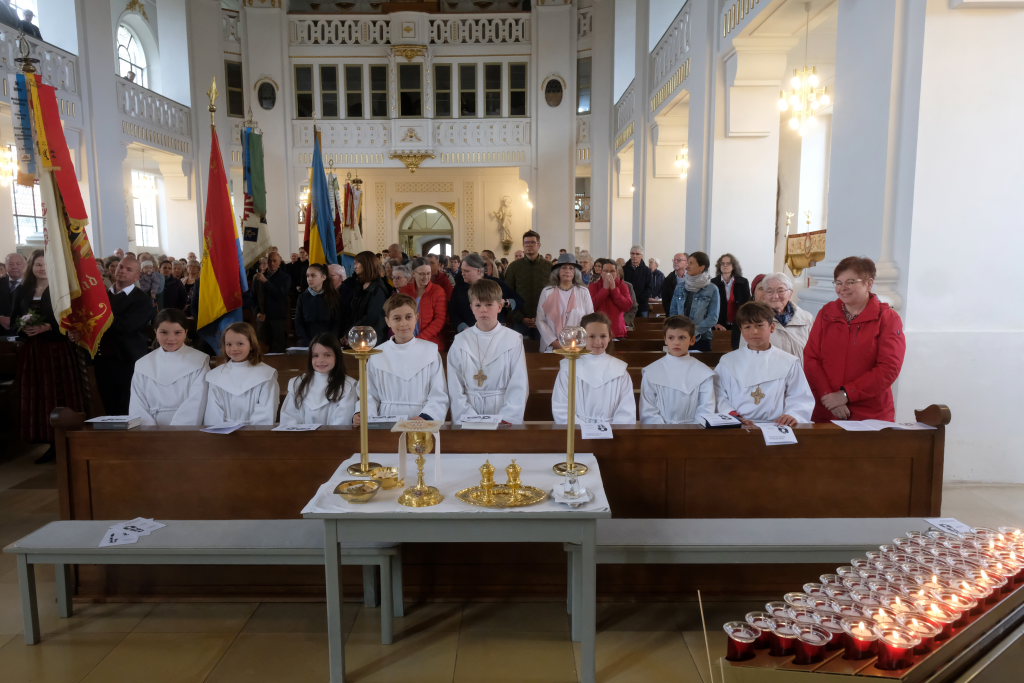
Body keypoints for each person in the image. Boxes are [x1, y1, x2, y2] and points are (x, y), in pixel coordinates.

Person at [803, 256, 906, 422]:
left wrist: (846, 394)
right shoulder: (827, 313)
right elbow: (811, 357)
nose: (843, 288)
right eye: (838, 282)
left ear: (869, 284)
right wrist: (828, 396)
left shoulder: (887, 318)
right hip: (827, 407)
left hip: (869, 413)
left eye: (850, 282)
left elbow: (888, 368)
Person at [11, 250, 85, 461]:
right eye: (37, 265)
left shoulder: (61, 289)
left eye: (45, 264)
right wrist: (23, 327)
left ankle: (61, 443)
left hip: (56, 350)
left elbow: (72, 320)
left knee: (57, 394)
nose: (41, 268)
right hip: (33, 352)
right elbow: (14, 318)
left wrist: (48, 327)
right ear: (31, 267)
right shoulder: (22, 290)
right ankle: (45, 439)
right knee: (38, 396)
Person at [714, 302, 814, 427]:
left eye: (760, 325)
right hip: (738, 425)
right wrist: (732, 415)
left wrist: (792, 415)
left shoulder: (789, 361)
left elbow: (800, 396)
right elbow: (718, 393)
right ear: (741, 330)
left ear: (772, 327)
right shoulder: (728, 361)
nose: (754, 332)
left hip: (778, 425)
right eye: (747, 327)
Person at [353, 294, 448, 424]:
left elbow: (439, 394)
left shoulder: (430, 351)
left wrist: (426, 417)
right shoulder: (377, 354)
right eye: (397, 318)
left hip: (420, 421)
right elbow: (368, 394)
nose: (403, 323)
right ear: (388, 321)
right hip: (385, 421)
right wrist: (362, 413)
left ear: (417, 318)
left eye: (408, 317)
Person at [447, 279, 528, 424]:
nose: (483, 310)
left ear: (500, 306)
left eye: (489, 304)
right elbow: (455, 386)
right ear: (471, 307)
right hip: (468, 413)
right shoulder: (460, 341)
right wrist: (468, 417)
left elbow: (519, 384)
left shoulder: (513, 340)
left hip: (503, 413)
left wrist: (506, 418)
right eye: (478, 305)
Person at [128, 308, 210, 425]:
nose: (171, 338)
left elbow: (196, 402)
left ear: (186, 332)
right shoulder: (142, 364)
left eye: (177, 332)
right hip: (150, 431)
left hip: (186, 430)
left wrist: (174, 432)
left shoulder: (199, 361)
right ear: (155, 332)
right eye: (164, 332)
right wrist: (149, 431)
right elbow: (138, 404)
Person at [552, 312, 635, 424]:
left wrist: (611, 431)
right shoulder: (569, 367)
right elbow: (561, 407)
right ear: (582, 338)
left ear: (610, 337)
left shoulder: (620, 371)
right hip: (577, 430)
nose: (598, 342)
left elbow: (626, 410)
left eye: (603, 336)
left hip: (613, 431)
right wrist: (583, 429)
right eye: (591, 336)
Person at [95, 257, 153, 415]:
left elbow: (127, 327)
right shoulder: (101, 296)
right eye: (120, 267)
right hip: (102, 359)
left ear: (137, 276)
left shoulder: (142, 300)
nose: (122, 271)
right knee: (107, 404)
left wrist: (100, 316)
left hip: (128, 360)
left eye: (129, 269)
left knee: (126, 405)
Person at [640, 316, 716, 424]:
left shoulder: (703, 372)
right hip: (659, 430)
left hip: (694, 430)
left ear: (692, 340)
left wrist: (692, 430)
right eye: (671, 337)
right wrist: (662, 430)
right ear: (665, 340)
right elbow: (648, 410)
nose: (676, 342)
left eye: (682, 337)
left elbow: (706, 408)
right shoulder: (652, 371)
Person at [204, 322, 279, 425]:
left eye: (240, 344)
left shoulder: (266, 375)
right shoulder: (216, 375)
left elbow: (266, 411)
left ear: (251, 345)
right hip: (222, 431)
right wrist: (220, 430)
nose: (234, 349)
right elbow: (213, 412)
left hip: (256, 431)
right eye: (229, 344)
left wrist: (251, 432)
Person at [280, 332, 358, 426]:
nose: (321, 360)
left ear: (337, 357)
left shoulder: (347, 386)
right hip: (300, 435)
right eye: (315, 355)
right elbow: (289, 418)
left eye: (327, 355)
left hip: (334, 435)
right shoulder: (298, 383)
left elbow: (343, 421)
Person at [536, 253, 594, 353]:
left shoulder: (583, 292)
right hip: (552, 347)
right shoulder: (547, 292)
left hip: (576, 346)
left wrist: (577, 341)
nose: (567, 271)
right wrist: (554, 342)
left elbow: (589, 319)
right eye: (564, 268)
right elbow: (540, 320)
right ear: (558, 271)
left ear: (575, 272)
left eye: (571, 268)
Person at [449, 252, 519, 333]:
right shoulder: (459, 287)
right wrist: (463, 327)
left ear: (478, 271)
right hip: (468, 332)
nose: (462, 273)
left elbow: (518, 300)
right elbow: (453, 311)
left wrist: (506, 302)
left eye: (466, 271)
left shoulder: (495, 283)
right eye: (462, 270)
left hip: (495, 332)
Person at [669, 251, 720, 352]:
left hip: (702, 338)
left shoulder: (712, 289)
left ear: (701, 267)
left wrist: (693, 332)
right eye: (687, 263)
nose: (687, 266)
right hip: (680, 337)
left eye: (691, 263)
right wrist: (679, 331)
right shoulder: (680, 287)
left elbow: (713, 318)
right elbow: (673, 312)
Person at [502, 230, 548, 336]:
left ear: (539, 245)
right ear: (523, 245)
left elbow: (553, 296)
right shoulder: (514, 267)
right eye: (526, 243)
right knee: (519, 346)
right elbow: (508, 294)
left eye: (532, 242)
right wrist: (520, 318)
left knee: (543, 347)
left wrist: (541, 317)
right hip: (520, 320)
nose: (529, 245)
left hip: (544, 320)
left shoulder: (548, 266)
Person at [759, 272, 815, 359]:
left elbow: (816, 351)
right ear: (764, 295)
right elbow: (746, 356)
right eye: (769, 291)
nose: (775, 296)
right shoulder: (754, 320)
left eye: (780, 291)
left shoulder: (807, 319)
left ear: (790, 293)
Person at [401, 257, 448, 351]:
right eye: (421, 274)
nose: (426, 277)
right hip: (407, 340)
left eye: (428, 273)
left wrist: (420, 339)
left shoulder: (437, 291)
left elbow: (440, 319)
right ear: (413, 273)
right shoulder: (405, 291)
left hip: (430, 341)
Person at [253, 251, 291, 353]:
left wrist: (266, 282)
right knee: (263, 348)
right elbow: (254, 298)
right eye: (269, 261)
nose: (272, 263)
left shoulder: (285, 277)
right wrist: (257, 312)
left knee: (278, 349)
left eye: (275, 261)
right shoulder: (259, 277)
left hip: (278, 319)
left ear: (279, 263)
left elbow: (280, 295)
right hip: (263, 319)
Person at [294, 263, 341, 346]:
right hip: (307, 341)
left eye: (313, 275)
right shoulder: (302, 297)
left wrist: (330, 339)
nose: (309, 279)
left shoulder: (333, 296)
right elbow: (298, 321)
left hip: (328, 340)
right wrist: (306, 340)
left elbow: (337, 321)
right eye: (307, 276)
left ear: (323, 277)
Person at [711, 253, 751, 350]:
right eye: (722, 263)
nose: (725, 265)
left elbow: (747, 304)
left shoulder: (743, 282)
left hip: (739, 324)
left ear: (733, 266)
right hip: (720, 325)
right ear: (719, 266)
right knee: (719, 351)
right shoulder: (713, 282)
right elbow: (710, 306)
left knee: (738, 349)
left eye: (728, 263)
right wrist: (715, 323)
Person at [588, 259, 632, 339]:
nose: (609, 274)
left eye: (612, 271)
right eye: (606, 271)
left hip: (617, 331)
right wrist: (604, 289)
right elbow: (591, 307)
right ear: (601, 272)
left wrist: (614, 290)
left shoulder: (623, 285)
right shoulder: (593, 286)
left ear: (616, 272)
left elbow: (627, 306)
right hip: (599, 330)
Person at [622, 245, 653, 318]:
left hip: (642, 305)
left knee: (643, 324)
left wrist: (637, 300)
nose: (634, 256)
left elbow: (649, 288)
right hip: (627, 304)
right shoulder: (623, 269)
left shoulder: (647, 271)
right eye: (632, 253)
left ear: (642, 256)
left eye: (637, 254)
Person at [0, 251, 26, 333]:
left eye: (18, 264)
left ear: (24, 265)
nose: (14, 267)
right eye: (10, 264)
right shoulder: (1, 282)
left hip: (25, 331)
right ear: (5, 266)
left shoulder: (32, 285)